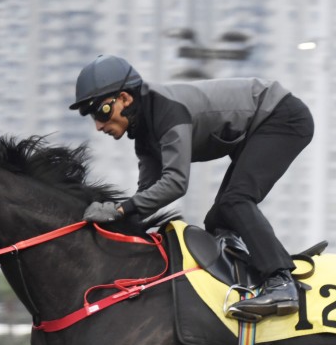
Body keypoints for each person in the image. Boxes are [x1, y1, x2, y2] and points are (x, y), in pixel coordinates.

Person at [70, 54, 314, 319]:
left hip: (283, 118)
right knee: (218, 220)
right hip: (262, 125)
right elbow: (148, 196)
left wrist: (118, 210)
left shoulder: (167, 111)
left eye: (100, 111)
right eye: (90, 116)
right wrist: (111, 225)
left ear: (125, 99)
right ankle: (249, 275)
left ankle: (280, 283)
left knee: (236, 202)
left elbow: (175, 183)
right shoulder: (144, 136)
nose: (98, 125)